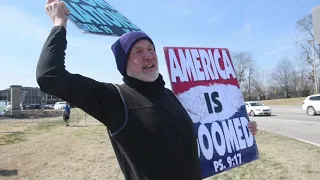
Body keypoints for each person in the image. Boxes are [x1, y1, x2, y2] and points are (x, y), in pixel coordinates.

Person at [37, 1, 258, 180]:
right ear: (124, 64)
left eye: (151, 49)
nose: (149, 55)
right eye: (138, 51)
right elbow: (49, 76)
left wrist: (238, 128)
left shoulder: (171, 95)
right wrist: (59, 23)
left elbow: (198, 133)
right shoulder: (115, 98)